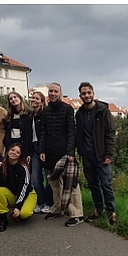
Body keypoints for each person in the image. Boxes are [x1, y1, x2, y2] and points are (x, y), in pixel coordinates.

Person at [40, 82, 84, 226]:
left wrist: (70, 151)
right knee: (54, 183)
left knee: (71, 184)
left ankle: (77, 214)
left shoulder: (67, 109)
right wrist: (42, 150)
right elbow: (43, 132)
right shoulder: (45, 110)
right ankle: (57, 209)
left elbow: (72, 131)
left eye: (55, 91)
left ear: (60, 93)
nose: (52, 93)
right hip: (50, 151)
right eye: (50, 91)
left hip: (65, 152)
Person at [76, 82, 117, 225]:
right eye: (83, 93)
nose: (86, 95)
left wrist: (109, 154)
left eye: (88, 92)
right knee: (93, 185)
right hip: (87, 156)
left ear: (93, 93)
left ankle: (111, 211)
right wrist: (79, 152)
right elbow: (79, 134)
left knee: (106, 184)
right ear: (80, 95)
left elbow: (110, 133)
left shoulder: (103, 110)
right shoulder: (79, 114)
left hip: (101, 155)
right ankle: (99, 209)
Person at [0, 142, 38, 231]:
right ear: (8, 151)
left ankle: (20, 211)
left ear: (20, 155)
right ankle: (3, 219)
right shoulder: (2, 165)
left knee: (24, 214)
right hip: (13, 194)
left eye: (17, 152)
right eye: (12, 150)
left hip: (27, 194)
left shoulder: (23, 168)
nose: (14, 153)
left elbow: (24, 188)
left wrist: (18, 206)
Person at [30, 91, 52, 213]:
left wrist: (44, 148)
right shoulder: (30, 115)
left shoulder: (45, 114)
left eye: (37, 98)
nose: (34, 100)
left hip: (44, 148)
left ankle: (49, 202)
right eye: (32, 98)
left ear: (42, 101)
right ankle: (41, 201)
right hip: (33, 147)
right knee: (36, 177)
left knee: (48, 177)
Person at [3, 91, 33, 158]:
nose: (13, 100)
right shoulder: (9, 116)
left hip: (24, 146)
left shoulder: (29, 114)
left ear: (20, 98)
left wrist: (28, 152)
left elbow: (29, 133)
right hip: (12, 146)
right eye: (11, 99)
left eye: (15, 97)